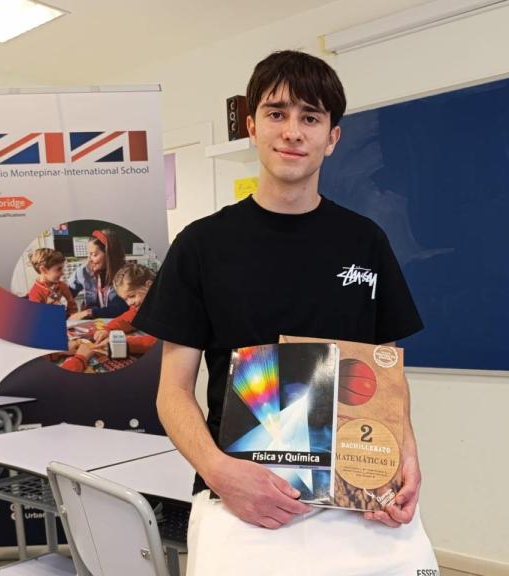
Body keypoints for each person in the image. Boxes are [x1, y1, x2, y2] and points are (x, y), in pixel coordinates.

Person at [134, 50, 438, 575]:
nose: (292, 131)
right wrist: (220, 472)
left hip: (357, 495)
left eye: (310, 117)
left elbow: (386, 374)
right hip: (243, 498)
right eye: (277, 113)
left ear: (332, 137)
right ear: (252, 126)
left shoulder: (365, 242)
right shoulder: (201, 246)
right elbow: (172, 391)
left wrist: (404, 453)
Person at [92, 262, 158, 356]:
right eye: (125, 299)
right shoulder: (141, 306)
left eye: (132, 296)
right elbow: (126, 319)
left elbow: (164, 343)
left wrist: (125, 342)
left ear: (149, 285)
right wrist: (108, 329)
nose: (129, 303)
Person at [67, 229, 128, 320]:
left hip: (115, 322)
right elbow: (66, 293)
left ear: (109, 255)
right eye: (89, 254)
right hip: (90, 323)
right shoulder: (84, 271)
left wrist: (90, 312)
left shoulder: (125, 273)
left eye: (94, 255)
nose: (89, 260)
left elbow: (120, 308)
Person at [26, 247, 78, 316]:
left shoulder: (61, 285)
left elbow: (72, 306)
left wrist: (72, 316)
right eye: (59, 269)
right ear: (43, 270)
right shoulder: (35, 294)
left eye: (62, 268)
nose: (63, 273)